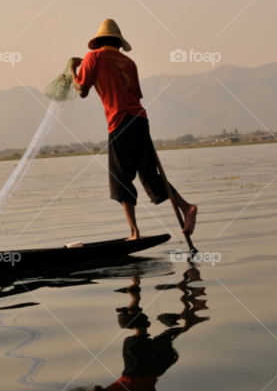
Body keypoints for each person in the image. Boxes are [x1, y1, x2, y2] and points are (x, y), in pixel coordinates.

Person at [72, 19, 197, 240]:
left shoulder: (94, 57)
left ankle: (134, 232)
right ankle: (186, 207)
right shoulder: (129, 62)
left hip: (119, 121)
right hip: (140, 120)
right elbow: (135, 96)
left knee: (121, 178)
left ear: (100, 42)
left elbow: (82, 91)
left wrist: (73, 71)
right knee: (150, 174)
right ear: (119, 43)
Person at [88, 267, 209, 391]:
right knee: (144, 331)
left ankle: (188, 316)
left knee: (156, 334)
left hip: (152, 370)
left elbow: (96, 390)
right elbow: (96, 390)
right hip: (139, 372)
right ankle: (188, 314)